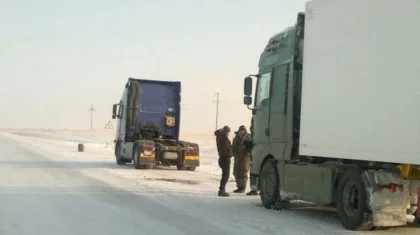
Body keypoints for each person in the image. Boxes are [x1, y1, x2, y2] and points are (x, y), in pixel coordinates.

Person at [232, 125, 252, 193]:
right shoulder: (236, 138)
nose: (242, 132)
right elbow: (233, 147)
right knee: (236, 172)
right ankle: (239, 186)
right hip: (237, 157)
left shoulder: (248, 137)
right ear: (239, 131)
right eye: (241, 130)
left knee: (243, 173)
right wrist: (234, 154)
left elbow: (251, 147)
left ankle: (243, 187)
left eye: (243, 130)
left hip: (245, 158)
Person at [214, 125, 233, 197]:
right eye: (227, 132)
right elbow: (225, 148)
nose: (228, 133)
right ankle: (221, 190)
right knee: (226, 175)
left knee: (225, 175)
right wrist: (229, 153)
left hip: (223, 157)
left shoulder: (220, 136)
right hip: (225, 158)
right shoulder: (223, 137)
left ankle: (222, 190)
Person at [246, 117, 259, 196]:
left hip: (256, 156)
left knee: (254, 171)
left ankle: (254, 189)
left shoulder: (256, 134)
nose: (251, 129)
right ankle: (254, 189)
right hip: (253, 155)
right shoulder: (253, 135)